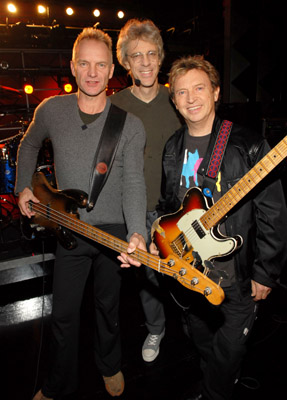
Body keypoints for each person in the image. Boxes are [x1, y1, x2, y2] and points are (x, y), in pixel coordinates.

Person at [132, 55, 287, 400]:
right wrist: (161, 239)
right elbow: (168, 207)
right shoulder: (173, 147)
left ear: (216, 92)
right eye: (182, 93)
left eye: (199, 88)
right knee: (200, 341)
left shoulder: (247, 145)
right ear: (174, 101)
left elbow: (273, 213)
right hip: (191, 273)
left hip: (238, 275)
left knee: (227, 354)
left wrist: (266, 272)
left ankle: (216, 387)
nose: (191, 99)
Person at [15, 27, 147, 400]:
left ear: (111, 71)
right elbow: (28, 145)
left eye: (100, 65)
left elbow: (135, 183)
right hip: (68, 228)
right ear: (73, 67)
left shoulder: (130, 126)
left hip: (112, 232)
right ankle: (58, 384)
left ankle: (109, 365)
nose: (92, 72)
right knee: (63, 315)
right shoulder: (51, 110)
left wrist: (137, 231)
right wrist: (23, 184)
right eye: (85, 64)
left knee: (109, 308)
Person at [110, 18, 182, 363]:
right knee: (147, 277)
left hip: (178, 208)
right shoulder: (117, 105)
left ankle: (194, 328)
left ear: (161, 56)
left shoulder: (177, 98)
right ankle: (156, 328)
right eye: (136, 55)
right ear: (125, 61)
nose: (145, 62)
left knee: (186, 271)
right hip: (138, 208)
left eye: (151, 53)